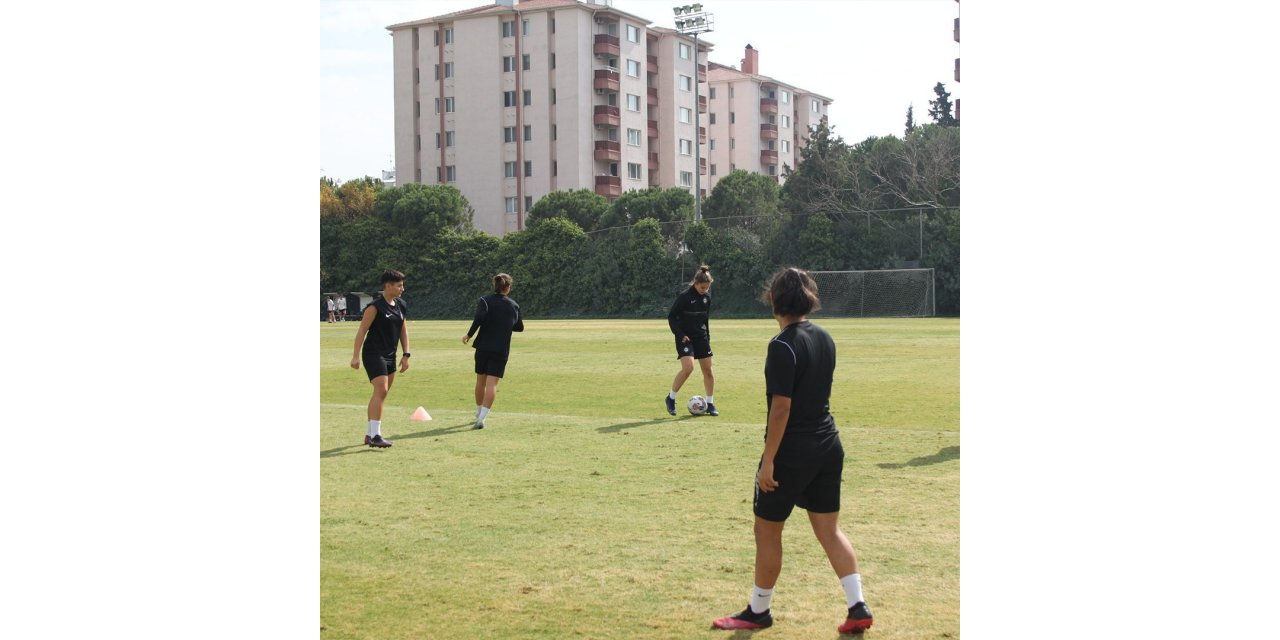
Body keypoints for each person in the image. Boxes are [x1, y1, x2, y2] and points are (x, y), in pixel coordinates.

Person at [712, 267, 874, 634]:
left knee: (767, 531)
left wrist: (768, 461)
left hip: (793, 451)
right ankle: (857, 604)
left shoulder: (781, 344)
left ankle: (758, 611)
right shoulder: (825, 337)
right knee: (829, 531)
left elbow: (781, 408)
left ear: (774, 300)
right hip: (828, 445)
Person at [349, 270, 411, 448]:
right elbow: (362, 331)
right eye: (399, 285)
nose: (402, 288)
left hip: (391, 355)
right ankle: (376, 435)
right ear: (388, 286)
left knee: (381, 394)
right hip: (373, 354)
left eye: (402, 285)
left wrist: (406, 354)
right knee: (381, 390)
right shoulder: (374, 307)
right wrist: (355, 356)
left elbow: (403, 330)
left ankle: (369, 434)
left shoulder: (401, 305)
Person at [461, 273, 524, 430]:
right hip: (501, 349)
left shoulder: (485, 301)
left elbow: (478, 319)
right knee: (492, 384)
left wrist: (469, 335)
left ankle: (477, 411)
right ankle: (482, 418)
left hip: (482, 346)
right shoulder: (514, 305)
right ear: (508, 288)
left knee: (480, 381)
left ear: (495, 286)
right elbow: (519, 327)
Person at [664, 265, 718, 416]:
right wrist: (680, 334)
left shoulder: (707, 298)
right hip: (685, 338)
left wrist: (708, 337)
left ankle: (710, 403)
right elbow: (672, 317)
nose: (704, 290)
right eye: (702, 287)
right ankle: (671, 398)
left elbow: (705, 320)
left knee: (708, 371)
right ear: (695, 283)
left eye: (707, 287)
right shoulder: (685, 297)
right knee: (688, 368)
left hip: (701, 337)